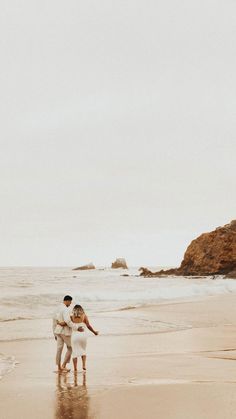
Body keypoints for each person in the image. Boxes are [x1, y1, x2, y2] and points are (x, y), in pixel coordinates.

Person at [58, 304, 98, 372]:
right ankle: (84, 365)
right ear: (81, 310)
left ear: (74, 310)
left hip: (75, 336)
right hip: (83, 335)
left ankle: (75, 368)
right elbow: (88, 326)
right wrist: (94, 332)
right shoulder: (84, 316)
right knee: (83, 350)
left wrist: (59, 323)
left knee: (75, 353)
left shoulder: (71, 317)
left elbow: (65, 323)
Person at [53, 295, 84, 373]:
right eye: (70, 302)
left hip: (58, 331)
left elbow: (54, 321)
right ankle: (64, 365)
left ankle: (59, 367)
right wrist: (77, 328)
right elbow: (68, 321)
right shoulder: (65, 309)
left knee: (59, 349)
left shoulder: (57, 308)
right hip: (64, 332)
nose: (70, 304)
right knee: (71, 348)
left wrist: (54, 333)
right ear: (67, 300)